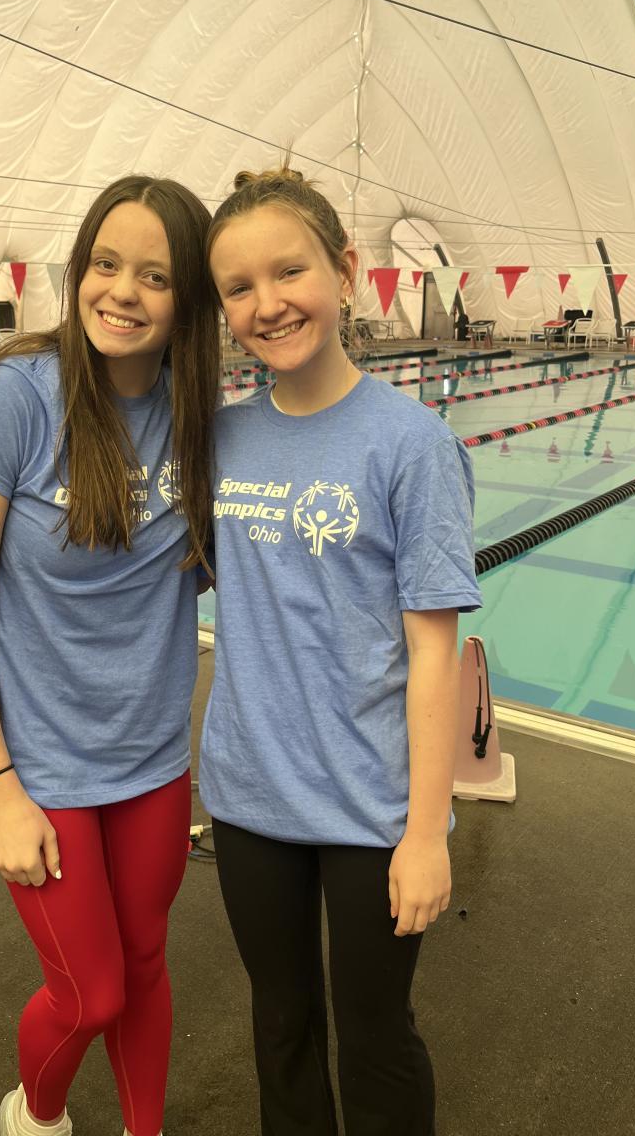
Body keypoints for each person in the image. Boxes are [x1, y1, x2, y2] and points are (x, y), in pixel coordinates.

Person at [0, 175, 218, 1136]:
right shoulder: (7, 408)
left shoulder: (196, 415)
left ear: (189, 301)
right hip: (38, 767)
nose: (122, 291)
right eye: (105, 263)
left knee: (145, 963)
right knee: (90, 992)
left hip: (150, 760)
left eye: (155, 276)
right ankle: (36, 1116)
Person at [201, 165, 482, 1136]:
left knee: (374, 1035)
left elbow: (434, 655)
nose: (268, 303)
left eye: (290, 271)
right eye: (240, 287)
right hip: (249, 794)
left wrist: (425, 832)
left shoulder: (411, 445)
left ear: (347, 271)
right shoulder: (223, 438)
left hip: (371, 806)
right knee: (280, 1025)